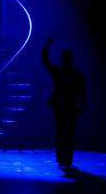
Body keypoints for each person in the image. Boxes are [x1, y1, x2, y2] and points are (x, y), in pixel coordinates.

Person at [42, 38, 86, 174]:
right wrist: (82, 105)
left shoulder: (71, 73)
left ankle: (64, 160)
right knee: (65, 134)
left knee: (64, 133)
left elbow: (82, 91)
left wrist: (47, 45)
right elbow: (82, 92)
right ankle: (64, 160)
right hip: (64, 105)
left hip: (66, 105)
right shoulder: (71, 73)